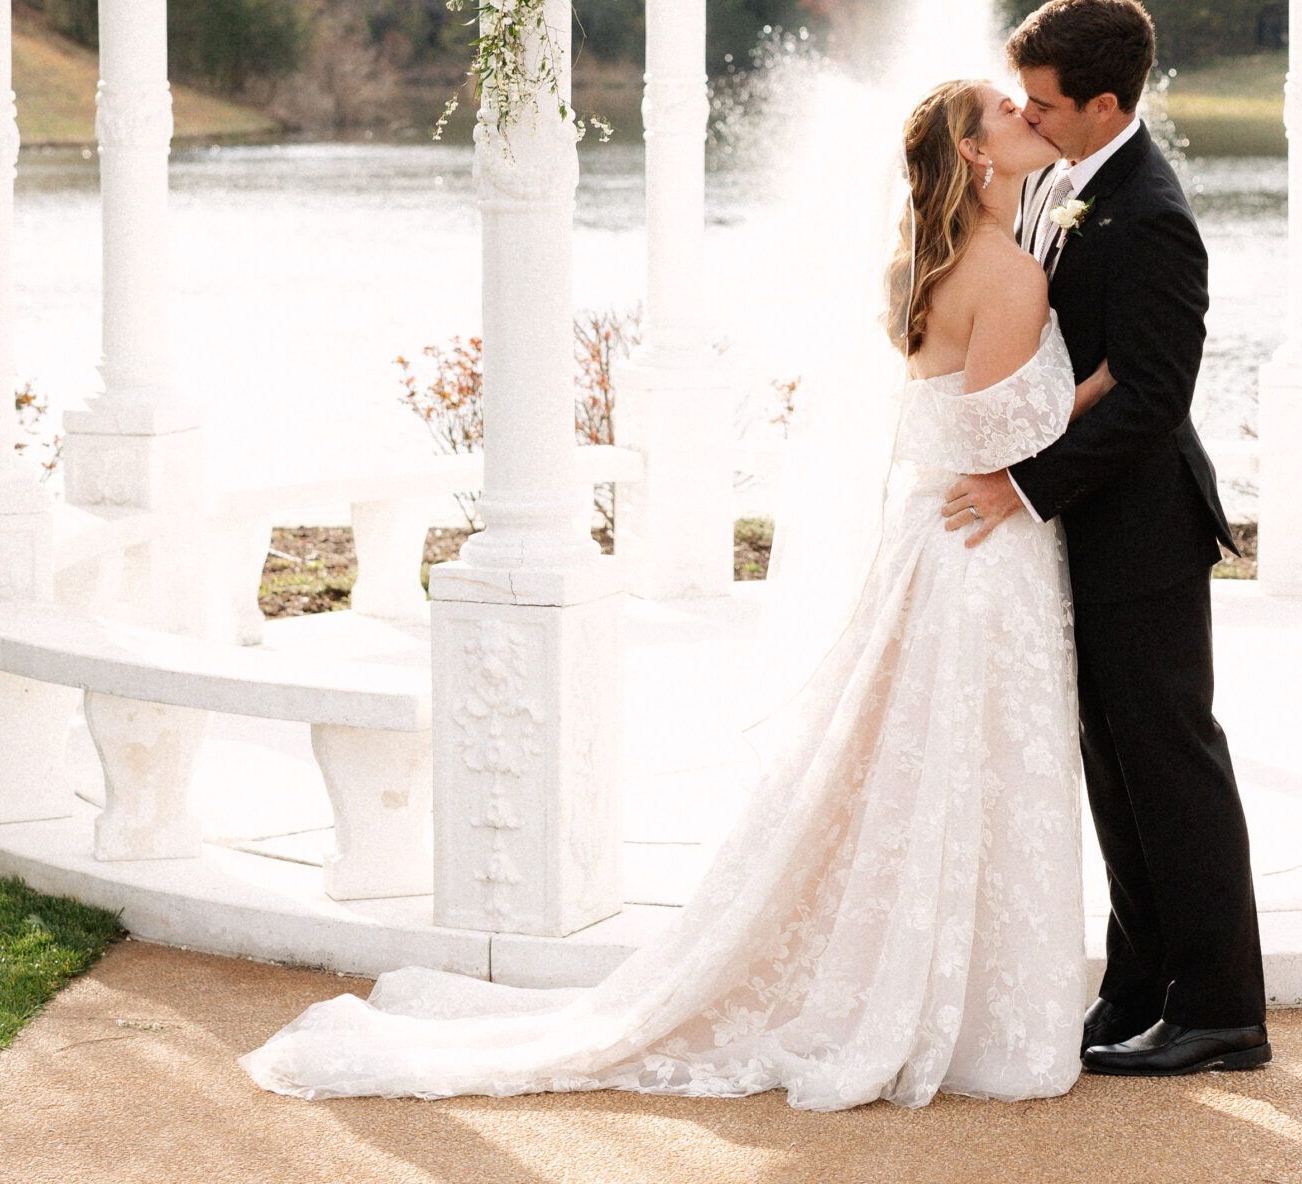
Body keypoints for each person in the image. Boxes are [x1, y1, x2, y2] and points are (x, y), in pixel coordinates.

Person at [243, 78, 1106, 1111]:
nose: (1029, 119)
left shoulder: (926, 268)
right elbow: (1004, 439)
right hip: (980, 554)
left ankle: (944, 987)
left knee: (926, 776)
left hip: (933, 543)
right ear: (974, 155)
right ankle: (973, 1016)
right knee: (978, 768)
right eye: (1008, 114)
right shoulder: (1008, 276)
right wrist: (1107, 387)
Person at [943, 0, 1270, 1079]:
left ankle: (1223, 1009)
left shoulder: (1153, 213)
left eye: (1043, 105)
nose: (1028, 119)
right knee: (1115, 775)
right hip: (1085, 534)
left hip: (1143, 536)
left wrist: (1022, 486)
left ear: (1105, 102)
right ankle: (1138, 987)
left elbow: (1152, 399)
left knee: (1172, 769)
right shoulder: (1067, 183)